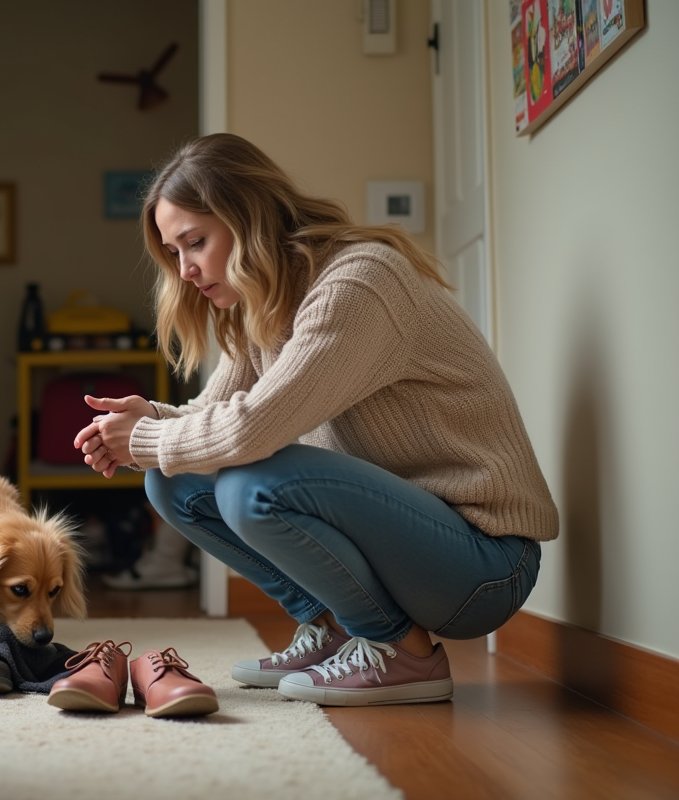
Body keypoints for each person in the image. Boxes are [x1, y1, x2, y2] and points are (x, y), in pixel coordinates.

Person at [71, 133, 558, 707]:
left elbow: (251, 431)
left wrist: (148, 438)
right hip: (413, 540)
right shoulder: (267, 301)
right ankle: (332, 628)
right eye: (174, 254)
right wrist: (151, 420)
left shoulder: (359, 283)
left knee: (254, 484)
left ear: (246, 215)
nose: (186, 270)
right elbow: (212, 420)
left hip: (483, 562)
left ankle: (402, 652)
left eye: (195, 242)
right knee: (171, 478)